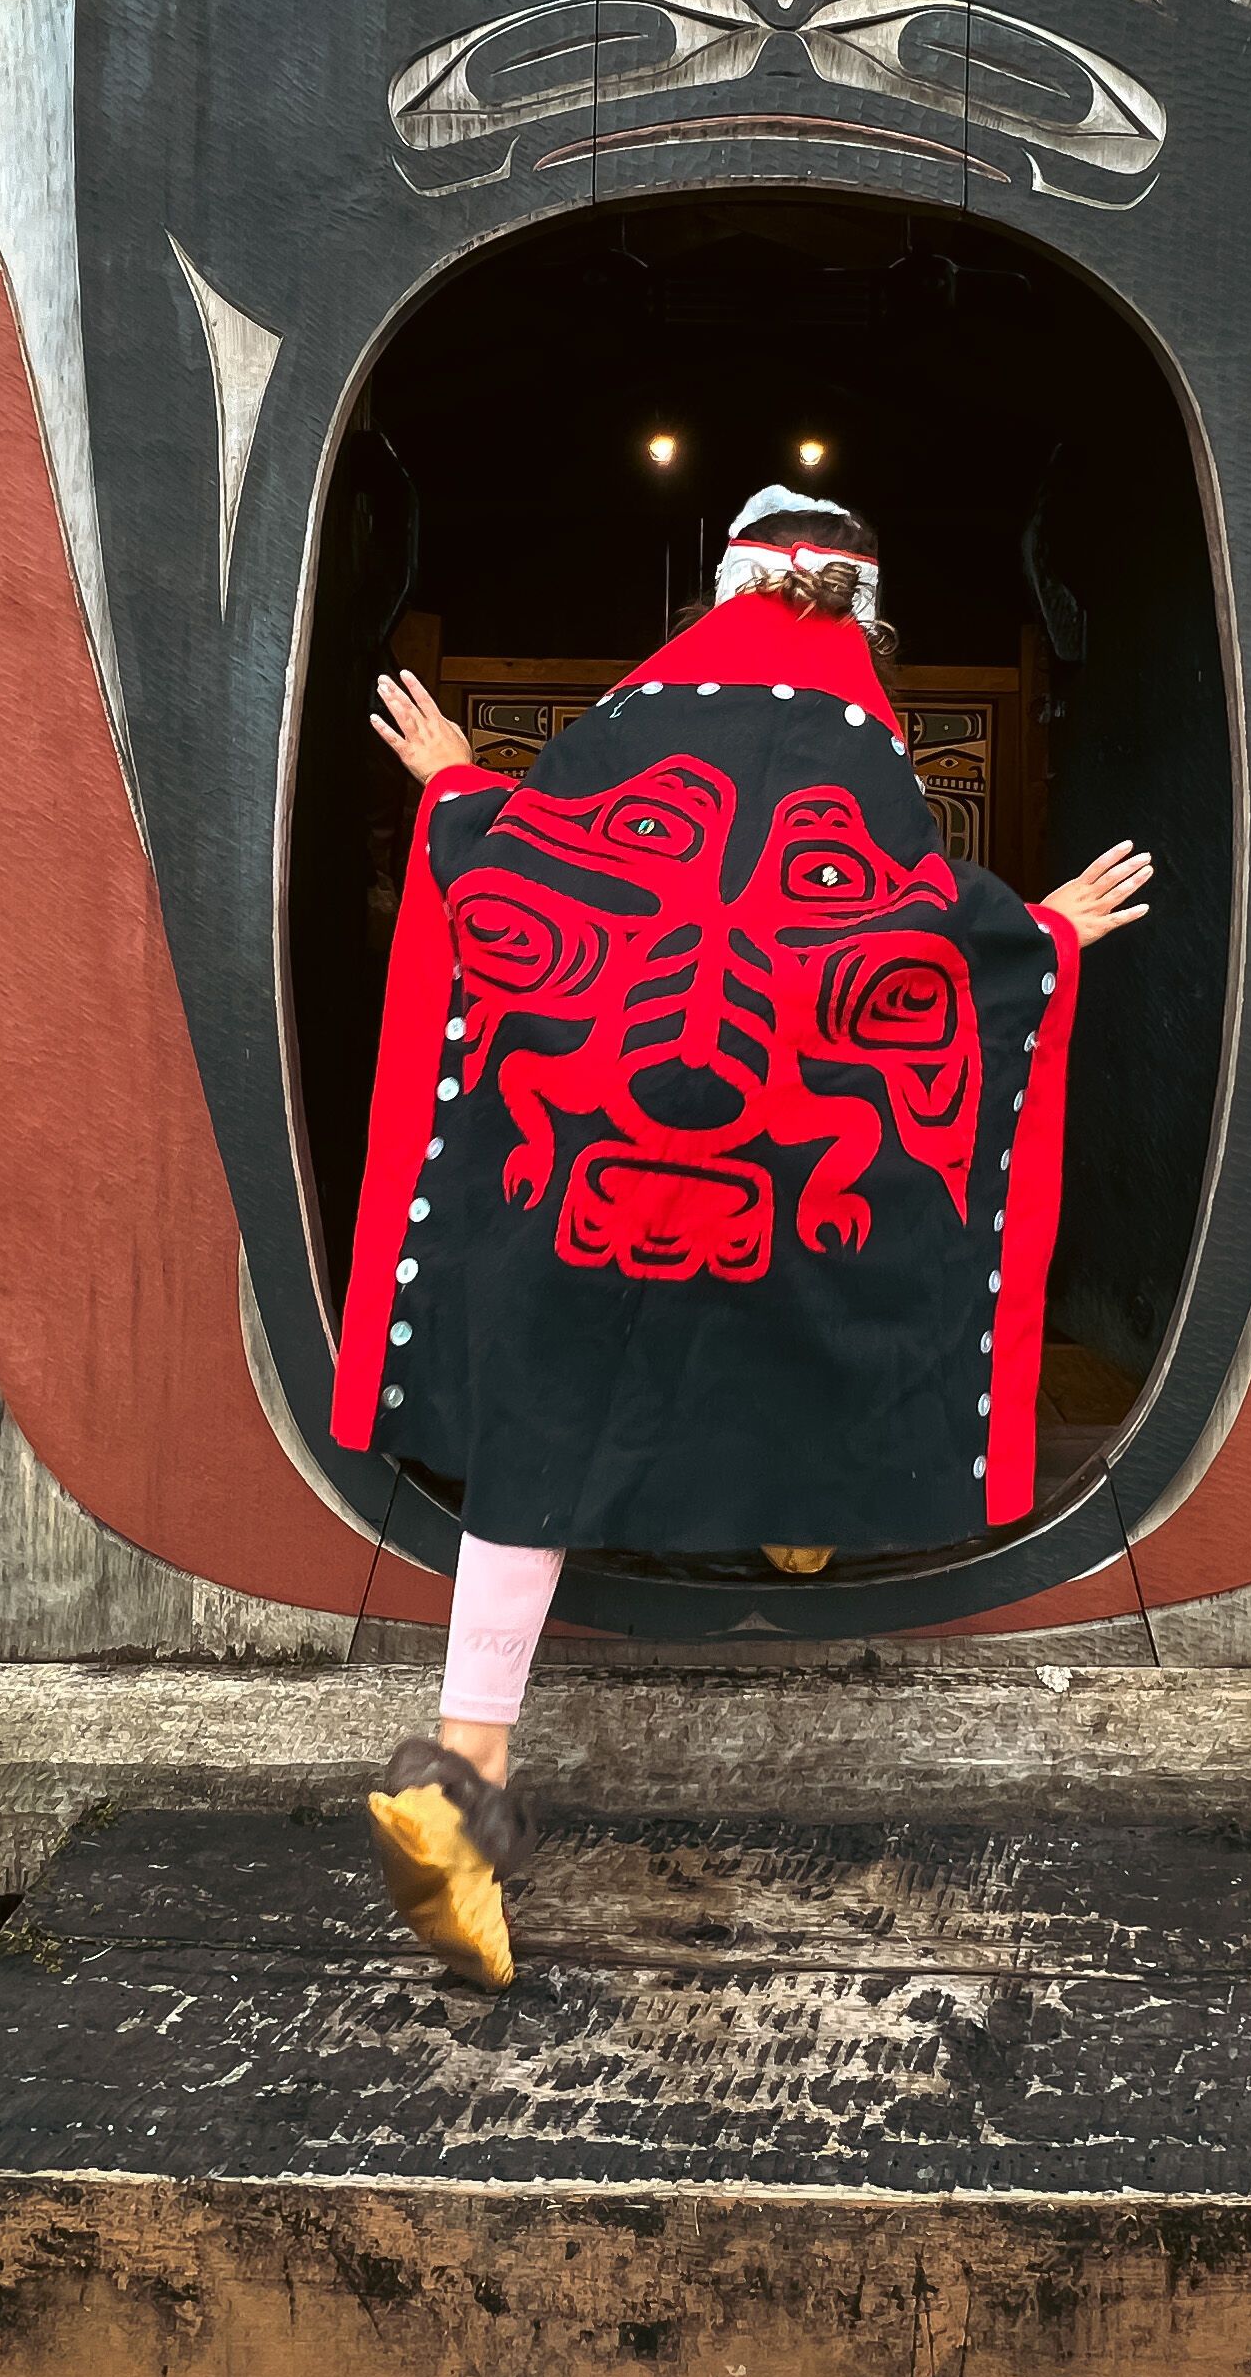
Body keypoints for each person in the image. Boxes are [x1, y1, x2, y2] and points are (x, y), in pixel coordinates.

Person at [344, 487, 1153, 1982]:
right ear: (870, 622)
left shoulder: (626, 736)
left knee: (538, 1441)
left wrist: (453, 779)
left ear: (715, 596)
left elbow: (508, 870)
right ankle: (795, 1516)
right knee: (835, 1279)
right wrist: (1041, 935)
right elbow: (910, 946)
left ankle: (457, 1786)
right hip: (774, 1151)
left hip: (581, 1145)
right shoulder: (860, 749)